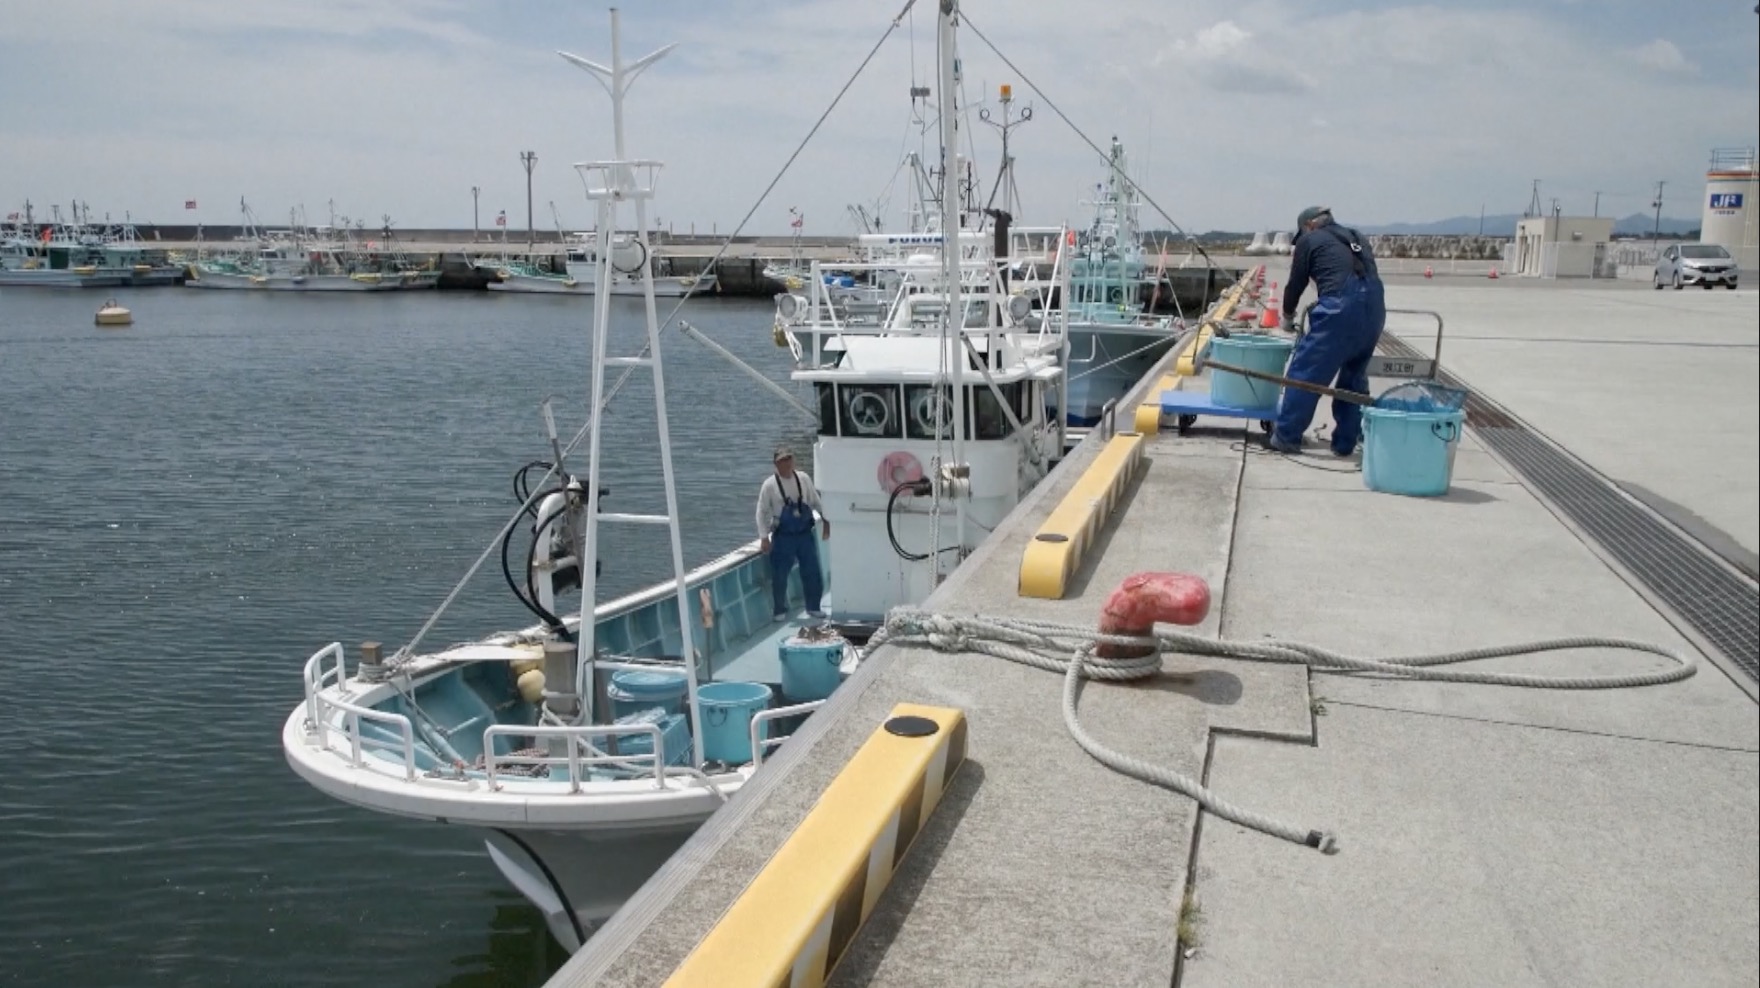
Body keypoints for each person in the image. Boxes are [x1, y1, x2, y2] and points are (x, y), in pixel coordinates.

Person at [1272, 206, 1386, 456]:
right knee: (1354, 380)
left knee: (1305, 375)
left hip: (1339, 312)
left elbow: (1295, 285)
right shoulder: (1356, 236)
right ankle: (1345, 443)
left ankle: (1286, 437)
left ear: (1309, 226)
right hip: (1375, 311)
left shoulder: (1310, 240)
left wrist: (1288, 318)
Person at [756, 445, 830, 620]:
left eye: (789, 459)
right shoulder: (769, 485)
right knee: (780, 574)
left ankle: (813, 607)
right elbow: (761, 511)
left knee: (812, 571)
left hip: (805, 534)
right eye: (782, 461)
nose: (787, 463)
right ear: (776, 464)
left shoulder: (803, 478)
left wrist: (826, 520)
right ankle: (779, 610)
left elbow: (816, 501)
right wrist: (763, 537)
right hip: (783, 537)